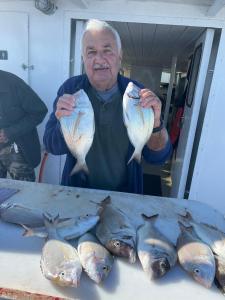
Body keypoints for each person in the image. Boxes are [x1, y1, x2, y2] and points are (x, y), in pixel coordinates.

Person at [43, 19, 172, 194]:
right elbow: (52, 146)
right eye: (91, 52)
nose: (99, 59)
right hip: (77, 194)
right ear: (83, 58)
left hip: (126, 196)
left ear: (120, 56)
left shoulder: (137, 93)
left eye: (107, 51)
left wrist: (155, 125)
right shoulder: (70, 89)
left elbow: (158, 158)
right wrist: (62, 124)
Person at [0, 70, 48, 181]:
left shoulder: (13, 83)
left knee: (25, 192)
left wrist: (9, 132)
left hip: (17, 150)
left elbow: (39, 111)